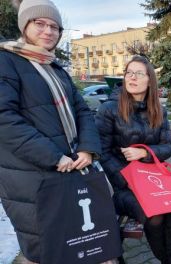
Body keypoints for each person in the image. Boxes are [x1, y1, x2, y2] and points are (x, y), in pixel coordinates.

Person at [0, 0, 108, 263]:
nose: (48, 31)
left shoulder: (56, 68)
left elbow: (82, 111)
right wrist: (54, 156)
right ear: (25, 25)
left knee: (74, 244)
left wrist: (87, 148)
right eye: (40, 24)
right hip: (31, 177)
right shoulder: (6, 61)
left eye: (54, 27)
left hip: (69, 169)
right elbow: (4, 118)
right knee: (46, 248)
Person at [96, 55, 171, 263]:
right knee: (154, 215)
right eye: (129, 72)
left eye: (139, 73)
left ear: (150, 80)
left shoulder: (159, 111)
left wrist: (145, 153)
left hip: (152, 179)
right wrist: (126, 180)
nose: (132, 77)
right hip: (122, 185)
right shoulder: (109, 109)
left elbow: (168, 147)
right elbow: (101, 152)